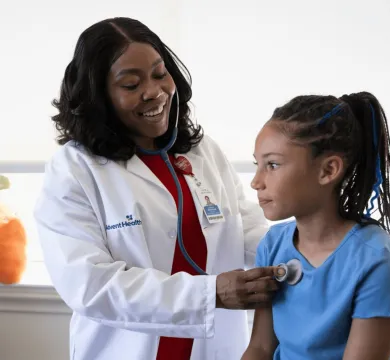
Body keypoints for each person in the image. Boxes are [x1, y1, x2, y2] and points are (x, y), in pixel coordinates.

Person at [34, 17, 280, 360]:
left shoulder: (203, 151)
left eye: (160, 74)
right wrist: (211, 295)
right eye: (131, 84)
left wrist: (311, 249)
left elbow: (247, 228)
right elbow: (90, 285)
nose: (154, 92)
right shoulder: (74, 170)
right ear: (99, 96)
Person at [242, 92, 390, 360]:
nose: (256, 182)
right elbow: (260, 348)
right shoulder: (273, 244)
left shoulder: (376, 262)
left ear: (328, 170)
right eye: (258, 164)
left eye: (273, 164)